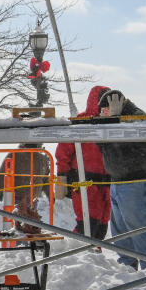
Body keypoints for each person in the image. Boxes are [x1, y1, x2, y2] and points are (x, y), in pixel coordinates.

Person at [97, 89, 146, 269]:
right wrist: (109, 122)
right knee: (120, 230)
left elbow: (133, 143)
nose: (102, 113)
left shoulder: (138, 117)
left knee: (138, 229)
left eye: (104, 110)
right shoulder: (111, 121)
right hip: (118, 181)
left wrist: (117, 121)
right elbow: (100, 142)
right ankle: (127, 267)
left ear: (115, 104)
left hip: (136, 182)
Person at [55, 86, 111, 239]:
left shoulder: (111, 124)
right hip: (83, 181)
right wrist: (61, 176)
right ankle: (77, 254)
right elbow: (63, 151)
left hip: (105, 183)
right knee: (88, 224)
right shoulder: (81, 121)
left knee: (102, 226)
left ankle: (94, 258)